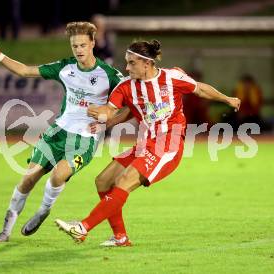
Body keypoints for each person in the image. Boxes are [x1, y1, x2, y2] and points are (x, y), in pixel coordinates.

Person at [55, 39, 241, 246]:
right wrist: (103, 117)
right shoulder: (125, 87)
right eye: (126, 62)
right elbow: (115, 109)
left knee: (125, 181)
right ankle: (120, 238)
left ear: (147, 63)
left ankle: (82, 227)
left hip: (168, 144)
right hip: (144, 145)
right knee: (103, 181)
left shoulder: (172, 78)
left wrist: (228, 99)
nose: (126, 67)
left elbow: (200, 89)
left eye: (132, 63)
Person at [0, 21, 124, 243]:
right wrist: (0, 56)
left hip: (85, 139)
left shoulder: (109, 74)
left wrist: (110, 121)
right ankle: (5, 231)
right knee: (28, 179)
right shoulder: (65, 68)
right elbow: (25, 71)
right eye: (74, 46)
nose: (78, 50)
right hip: (57, 131)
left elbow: (130, 99)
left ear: (92, 44)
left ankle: (43, 211)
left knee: (58, 175)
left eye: (82, 45)